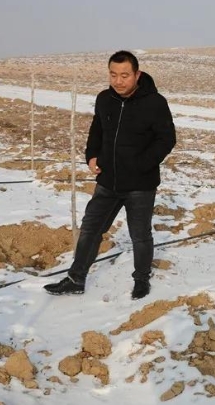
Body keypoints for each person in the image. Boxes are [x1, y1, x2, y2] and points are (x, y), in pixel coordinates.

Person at [44, 50, 176, 300]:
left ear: (137, 74)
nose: (118, 81)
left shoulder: (155, 103)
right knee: (90, 229)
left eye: (125, 75)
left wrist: (141, 165)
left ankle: (141, 279)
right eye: (113, 75)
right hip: (107, 181)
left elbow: (167, 139)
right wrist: (92, 156)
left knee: (140, 235)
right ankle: (76, 279)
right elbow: (97, 130)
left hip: (140, 184)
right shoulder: (105, 99)